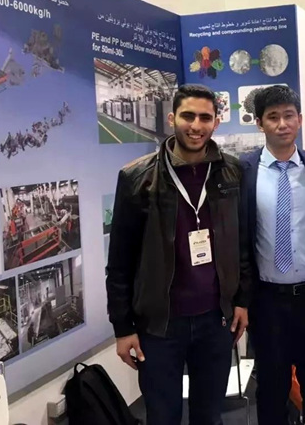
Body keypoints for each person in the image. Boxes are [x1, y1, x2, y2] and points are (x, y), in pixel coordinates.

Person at [106, 84, 251, 425]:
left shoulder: (231, 173)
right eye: (188, 116)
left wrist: (242, 300)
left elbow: (241, 243)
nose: (196, 126)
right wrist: (122, 328)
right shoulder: (136, 178)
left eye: (205, 118)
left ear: (216, 122)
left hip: (215, 320)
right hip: (160, 326)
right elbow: (120, 261)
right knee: (162, 417)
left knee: (209, 416)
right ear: (172, 119)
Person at [240, 86, 305, 424]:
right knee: (271, 388)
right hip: (266, 301)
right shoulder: (244, 170)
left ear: (300, 119)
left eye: (289, 115)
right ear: (259, 123)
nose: (282, 124)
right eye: (273, 117)